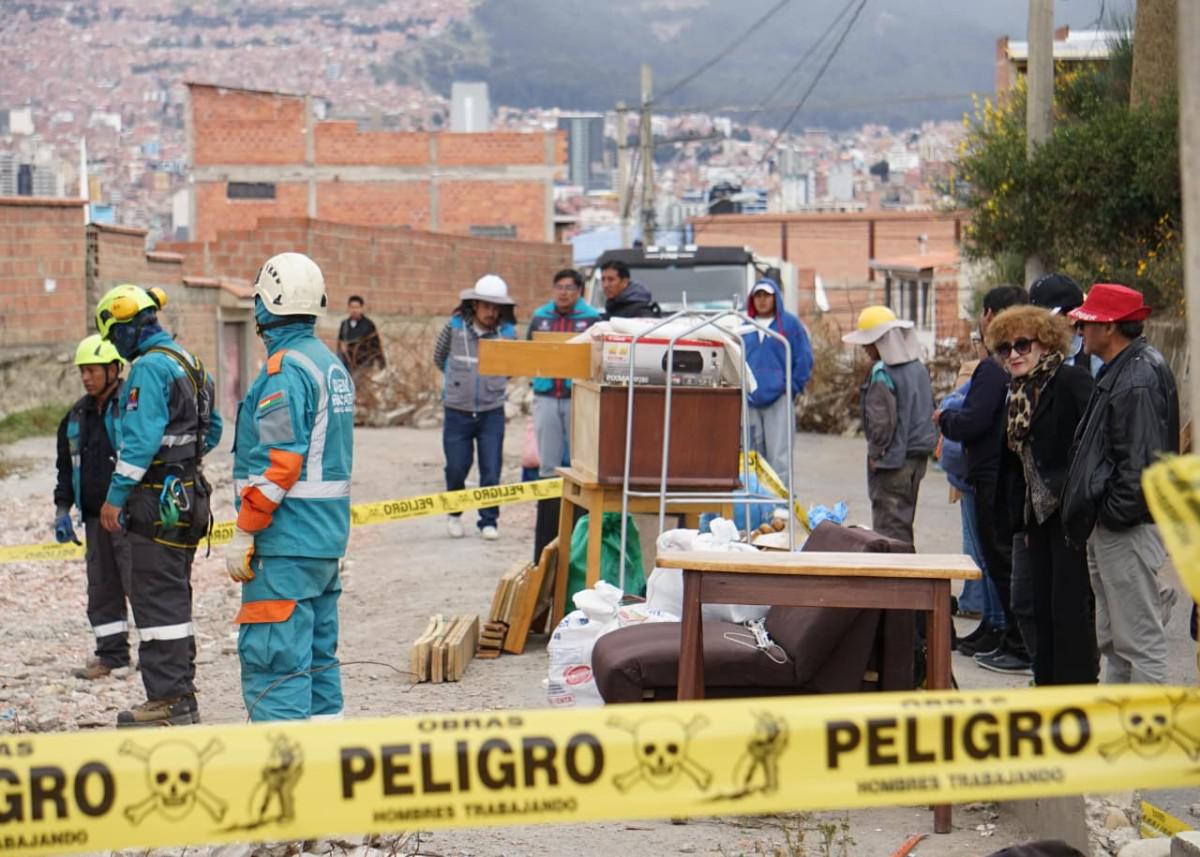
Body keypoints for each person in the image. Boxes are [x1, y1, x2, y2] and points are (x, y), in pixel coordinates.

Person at [226, 252, 355, 721]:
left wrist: (245, 528)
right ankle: (327, 775)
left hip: (286, 542)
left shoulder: (285, 370)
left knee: (275, 665)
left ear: (267, 306)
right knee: (319, 663)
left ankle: (286, 781)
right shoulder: (328, 364)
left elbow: (281, 464)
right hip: (323, 542)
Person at [95, 283, 222, 726]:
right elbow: (216, 427)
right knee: (174, 594)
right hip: (190, 496)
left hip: (156, 501)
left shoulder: (149, 369)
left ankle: (168, 700)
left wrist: (115, 497)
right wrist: (183, 459)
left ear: (127, 326)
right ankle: (180, 692)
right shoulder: (190, 362)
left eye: (114, 338)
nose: (115, 349)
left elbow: (140, 441)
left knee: (154, 596)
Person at [1062, 283, 1180, 684]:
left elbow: (1140, 469)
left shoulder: (1137, 377)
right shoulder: (1128, 369)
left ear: (1109, 328)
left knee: (1139, 643)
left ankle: (1149, 740)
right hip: (1117, 527)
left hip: (1125, 529)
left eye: (1087, 325)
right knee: (1117, 641)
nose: (1081, 332)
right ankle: (1122, 735)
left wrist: (1111, 516)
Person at [986, 305, 1097, 685]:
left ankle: (1078, 690)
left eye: (1021, 344)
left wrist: (1082, 500)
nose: (1013, 354)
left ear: (1045, 343)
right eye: (1005, 348)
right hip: (1038, 516)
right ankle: (1048, 686)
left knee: (1070, 609)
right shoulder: (1018, 392)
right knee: (1038, 607)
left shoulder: (1069, 381)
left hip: (1071, 514)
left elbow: (1095, 445)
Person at [936, 284, 1030, 674]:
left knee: (1001, 563)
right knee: (994, 561)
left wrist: (945, 419)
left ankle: (1017, 641)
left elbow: (974, 420)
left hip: (993, 477)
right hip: (996, 474)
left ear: (990, 315)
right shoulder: (1009, 364)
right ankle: (999, 630)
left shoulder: (994, 368)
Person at [53, 334, 133, 680]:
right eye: (82, 371)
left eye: (93, 370)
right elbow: (65, 470)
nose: (86, 377)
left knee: (140, 583)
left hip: (130, 515)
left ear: (114, 369)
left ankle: (159, 658)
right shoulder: (75, 417)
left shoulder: (132, 407)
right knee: (102, 587)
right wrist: (62, 510)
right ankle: (112, 655)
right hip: (94, 517)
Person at [842, 306, 937, 546]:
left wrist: (876, 453)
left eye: (869, 342)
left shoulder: (883, 372)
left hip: (892, 462)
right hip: (917, 459)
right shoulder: (918, 368)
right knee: (904, 524)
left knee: (890, 530)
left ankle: (900, 582)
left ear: (881, 341)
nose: (865, 348)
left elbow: (880, 423)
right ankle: (910, 578)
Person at [432, 274, 517, 541]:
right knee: (457, 466)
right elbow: (439, 357)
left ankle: (488, 520)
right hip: (457, 410)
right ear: (474, 305)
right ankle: (454, 514)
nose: (491, 312)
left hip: (492, 411)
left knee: (491, 469)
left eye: (496, 307)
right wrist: (457, 383)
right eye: (486, 306)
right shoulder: (454, 327)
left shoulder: (508, 335)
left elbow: (512, 369)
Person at [527, 268, 602, 559]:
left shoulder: (591, 320)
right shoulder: (540, 317)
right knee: (547, 468)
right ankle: (545, 545)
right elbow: (528, 352)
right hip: (546, 397)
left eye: (569, 288)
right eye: (559, 287)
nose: (563, 293)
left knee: (580, 467)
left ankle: (579, 537)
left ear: (579, 291)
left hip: (578, 398)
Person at [743, 277, 813, 480]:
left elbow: (804, 358)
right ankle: (755, 507)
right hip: (750, 401)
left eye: (767, 295)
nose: (762, 300)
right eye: (758, 295)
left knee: (779, 457)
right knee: (752, 456)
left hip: (779, 399)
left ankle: (780, 506)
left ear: (776, 298)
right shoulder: (745, 325)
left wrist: (791, 387)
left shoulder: (790, 325)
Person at [337, 295, 385, 373]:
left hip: (364, 364)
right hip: (348, 364)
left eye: (357, 307)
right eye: (352, 307)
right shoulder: (345, 324)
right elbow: (340, 342)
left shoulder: (368, 325)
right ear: (348, 308)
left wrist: (381, 363)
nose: (354, 310)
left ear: (362, 308)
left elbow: (376, 345)